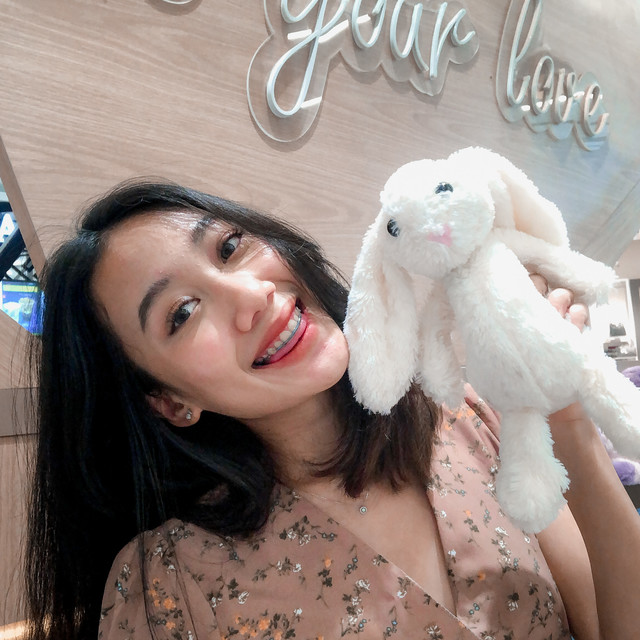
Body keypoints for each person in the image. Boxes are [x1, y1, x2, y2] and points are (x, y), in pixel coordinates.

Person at [23, 180, 640, 640]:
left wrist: (568, 423)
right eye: (182, 313)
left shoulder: (462, 420)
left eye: (230, 247)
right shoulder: (169, 585)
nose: (253, 295)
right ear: (169, 401)